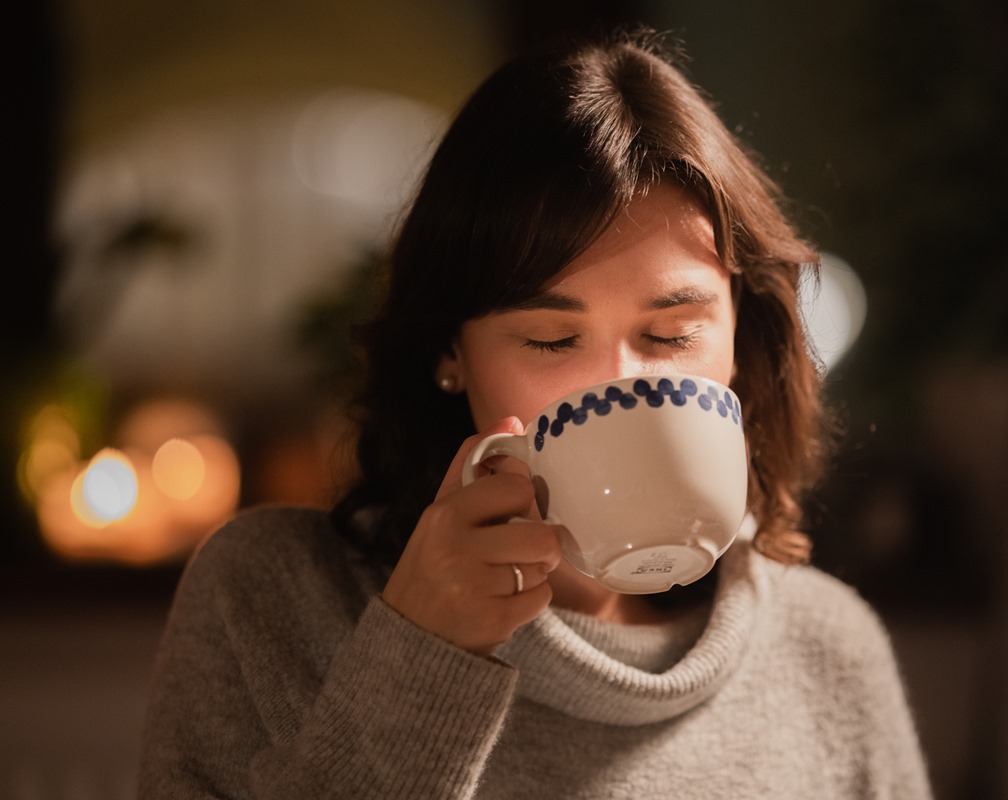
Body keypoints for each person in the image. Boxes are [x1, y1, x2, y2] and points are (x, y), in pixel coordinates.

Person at [139, 28, 931, 798]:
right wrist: (421, 657)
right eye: (552, 340)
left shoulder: (829, 653)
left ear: (739, 346)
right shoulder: (273, 601)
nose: (623, 384)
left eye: (671, 333)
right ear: (449, 352)